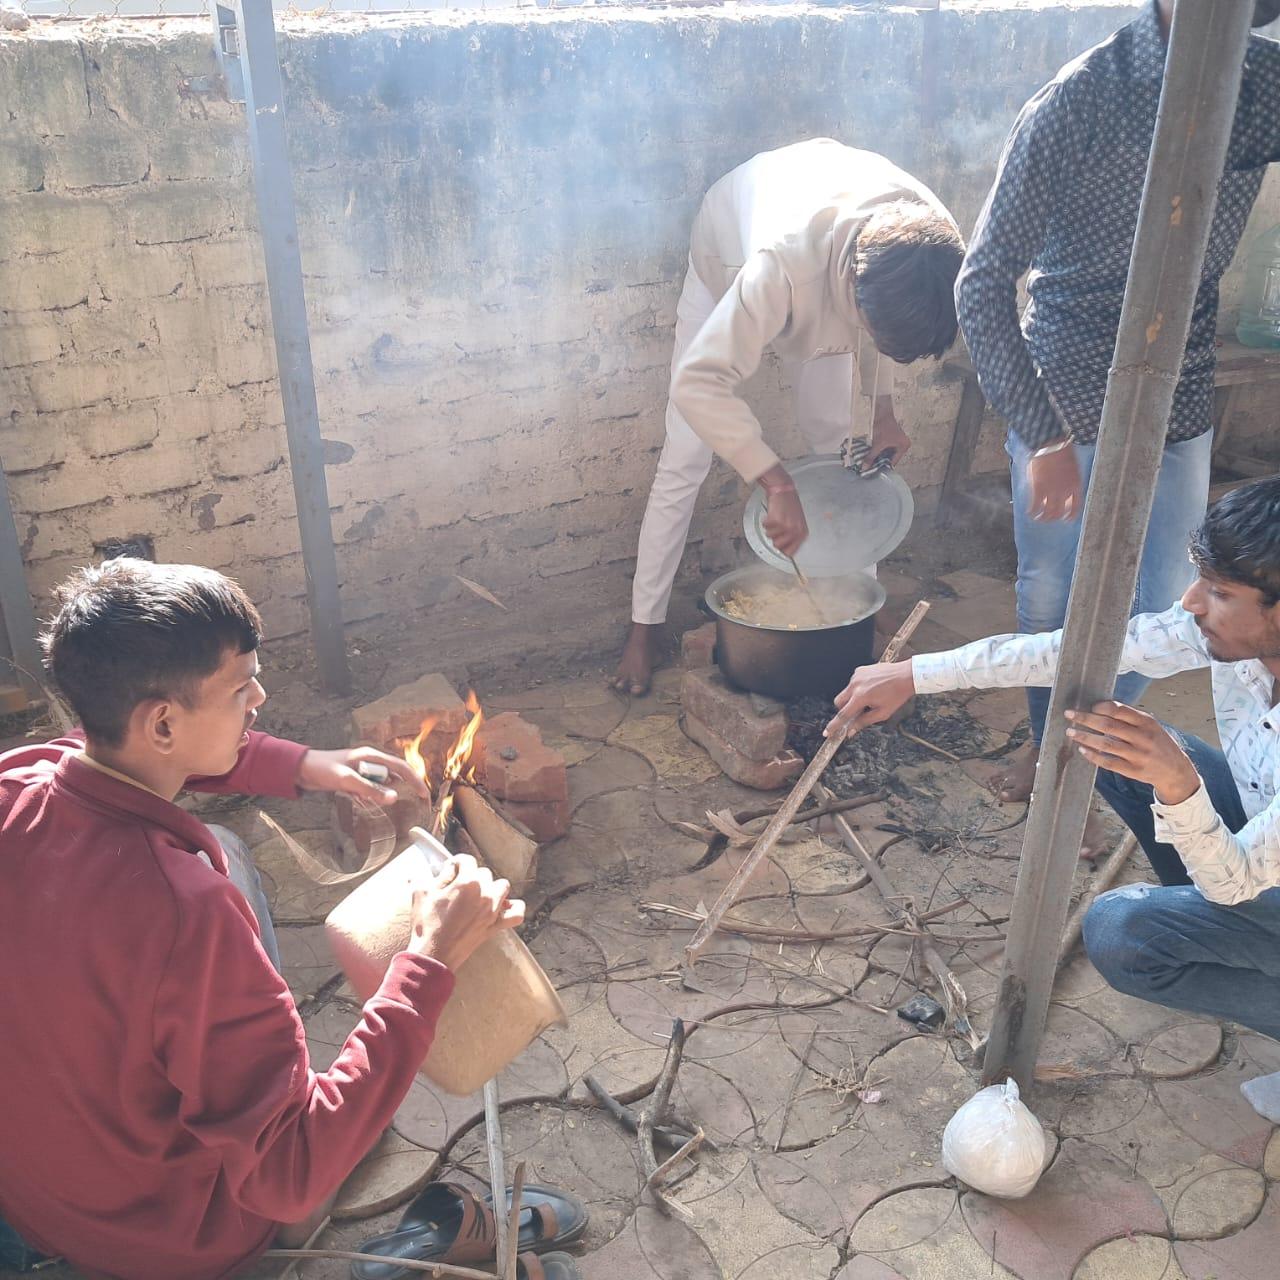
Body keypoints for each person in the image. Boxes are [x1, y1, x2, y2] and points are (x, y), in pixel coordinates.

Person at [0, 559, 523, 1280]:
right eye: (241, 684)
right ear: (161, 721)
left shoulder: (18, 782)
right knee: (337, 1140)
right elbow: (290, 1170)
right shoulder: (183, 910)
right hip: (166, 1246)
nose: (260, 696)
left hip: (41, 1195)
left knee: (227, 851)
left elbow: (129, 761)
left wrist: (306, 764)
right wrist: (428, 961)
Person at [825, 476, 1280, 1119]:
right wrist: (914, 674)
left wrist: (1178, 785)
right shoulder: (1239, 638)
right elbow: (1077, 653)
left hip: (1256, 875)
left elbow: (1236, 883)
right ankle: (1219, 927)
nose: (1190, 602)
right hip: (1265, 849)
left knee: (1121, 930)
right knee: (1118, 737)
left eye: (1219, 591)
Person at [954, 0, 1280, 824]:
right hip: (1069, 381)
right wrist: (1044, 434)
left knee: (1170, 590)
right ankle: (1052, 759)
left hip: (1183, 375)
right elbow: (980, 282)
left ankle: (1083, 754)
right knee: (1052, 594)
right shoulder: (1080, 101)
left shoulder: (1262, 84)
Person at [611, 137, 964, 696]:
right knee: (687, 454)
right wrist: (773, 481)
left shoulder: (930, 243)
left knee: (837, 447)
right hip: (726, 256)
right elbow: (697, 384)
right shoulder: (779, 266)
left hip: (833, 252)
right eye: (868, 325)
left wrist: (885, 413)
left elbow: (889, 328)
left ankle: (856, 611)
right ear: (853, 292)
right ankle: (643, 627)